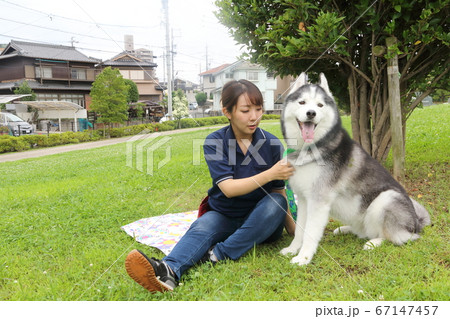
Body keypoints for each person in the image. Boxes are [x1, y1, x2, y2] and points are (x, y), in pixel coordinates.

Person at [125, 79, 295, 293]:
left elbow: (278, 191)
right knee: (203, 226)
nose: (254, 117)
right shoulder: (215, 141)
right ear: (227, 111)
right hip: (225, 214)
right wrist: (270, 173)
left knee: (275, 202)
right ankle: (168, 270)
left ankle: (217, 254)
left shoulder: (271, 144)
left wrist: (294, 231)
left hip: (262, 222)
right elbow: (228, 189)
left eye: (258, 109)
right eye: (245, 110)